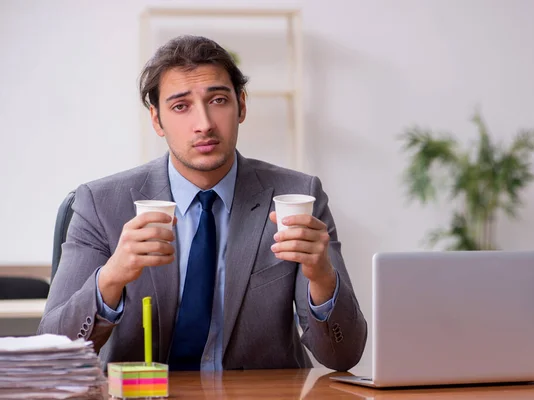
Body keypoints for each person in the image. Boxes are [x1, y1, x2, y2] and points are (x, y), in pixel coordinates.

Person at [38, 35, 367, 371]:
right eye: (181, 106)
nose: (205, 124)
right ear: (156, 120)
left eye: (219, 100)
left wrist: (322, 277)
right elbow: (52, 352)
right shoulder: (100, 204)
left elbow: (344, 356)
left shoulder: (296, 196)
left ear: (241, 105)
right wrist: (110, 278)